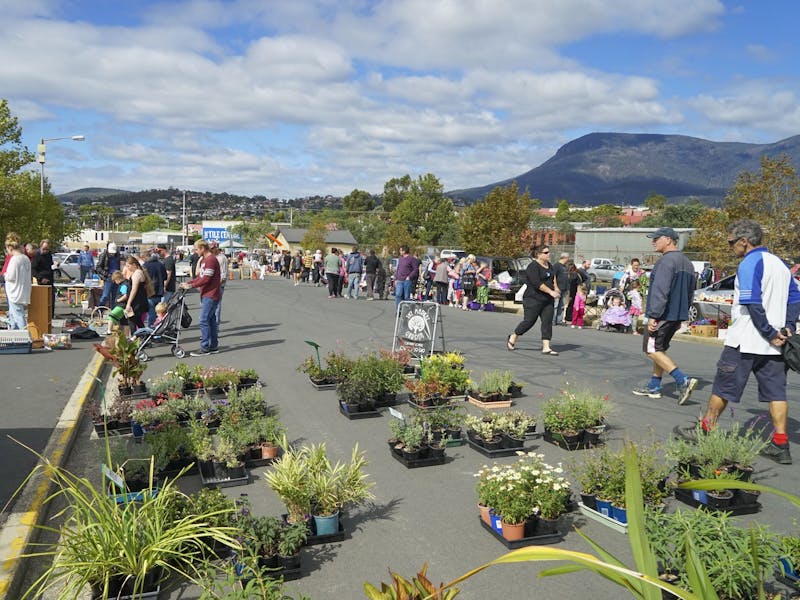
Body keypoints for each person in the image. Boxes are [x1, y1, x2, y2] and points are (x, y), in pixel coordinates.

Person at [675, 219, 800, 464]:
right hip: (774, 347)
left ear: (745, 241)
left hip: (745, 340)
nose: (731, 247)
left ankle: (704, 430)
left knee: (723, 387)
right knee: (776, 393)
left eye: (732, 242)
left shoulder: (748, 264)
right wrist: (787, 327)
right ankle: (781, 445)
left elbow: (752, 303)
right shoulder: (781, 265)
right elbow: (795, 298)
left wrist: (768, 332)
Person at [632, 227, 698, 404]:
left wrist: (653, 315)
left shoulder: (666, 262)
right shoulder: (688, 263)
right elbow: (690, 292)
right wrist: (682, 316)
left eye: (656, 238)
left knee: (651, 349)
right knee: (659, 349)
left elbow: (660, 291)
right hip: (676, 315)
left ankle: (683, 379)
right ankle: (654, 385)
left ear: (669, 240)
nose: (653, 241)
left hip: (662, 314)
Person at [507, 245, 560, 355]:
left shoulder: (549, 265)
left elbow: (553, 277)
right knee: (529, 321)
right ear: (538, 254)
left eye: (548, 252)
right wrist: (550, 291)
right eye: (546, 252)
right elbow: (537, 283)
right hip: (533, 299)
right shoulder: (533, 267)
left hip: (547, 300)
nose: (548, 254)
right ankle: (513, 336)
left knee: (547, 322)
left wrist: (556, 288)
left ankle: (546, 347)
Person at [180, 239, 221, 356]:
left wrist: (191, 285)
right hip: (207, 294)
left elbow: (206, 279)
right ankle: (213, 346)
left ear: (203, 248)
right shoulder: (204, 260)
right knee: (211, 320)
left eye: (196, 249)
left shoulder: (211, 260)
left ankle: (205, 347)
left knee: (203, 320)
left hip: (211, 294)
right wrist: (189, 282)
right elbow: (200, 277)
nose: (195, 251)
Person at [2, 237, 31, 330]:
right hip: (23, 290)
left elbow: (10, 276)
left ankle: (25, 337)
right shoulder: (26, 258)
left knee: (18, 315)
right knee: (13, 315)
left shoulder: (14, 259)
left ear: (10, 248)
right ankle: (13, 334)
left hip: (14, 292)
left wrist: (5, 274)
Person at [122, 256, 153, 331]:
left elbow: (134, 289)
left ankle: (134, 338)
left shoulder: (137, 273)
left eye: (128, 266)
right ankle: (144, 336)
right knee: (138, 321)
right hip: (138, 301)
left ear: (134, 265)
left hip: (136, 302)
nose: (127, 268)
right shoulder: (137, 272)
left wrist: (128, 303)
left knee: (132, 321)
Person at [30, 239, 56, 318]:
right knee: (42, 300)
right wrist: (40, 278)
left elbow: (49, 266)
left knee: (51, 299)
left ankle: (50, 315)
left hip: (50, 279)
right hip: (41, 280)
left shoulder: (49, 255)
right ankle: (43, 315)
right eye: (44, 249)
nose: (46, 251)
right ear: (41, 247)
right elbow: (33, 269)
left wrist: (55, 265)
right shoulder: (37, 256)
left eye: (47, 249)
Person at [144, 250, 167, 327]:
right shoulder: (161, 265)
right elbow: (165, 277)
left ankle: (151, 327)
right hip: (159, 291)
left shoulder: (145, 265)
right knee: (159, 311)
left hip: (149, 291)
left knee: (151, 312)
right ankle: (159, 326)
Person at [97, 242, 123, 307]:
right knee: (105, 295)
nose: (112, 254)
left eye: (113, 253)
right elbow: (98, 268)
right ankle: (100, 309)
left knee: (115, 296)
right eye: (111, 253)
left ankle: (113, 311)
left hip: (117, 277)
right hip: (108, 277)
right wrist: (105, 274)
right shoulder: (103, 255)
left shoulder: (118, 255)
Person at [394, 245, 420, 310]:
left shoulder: (411, 259)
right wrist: (396, 278)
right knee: (398, 295)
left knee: (406, 297)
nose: (400, 252)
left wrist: (409, 276)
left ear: (404, 251)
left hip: (407, 280)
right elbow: (398, 268)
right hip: (399, 280)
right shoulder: (400, 258)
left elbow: (416, 269)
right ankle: (398, 310)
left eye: (400, 250)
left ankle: (406, 311)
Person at [210, 242, 228, 328]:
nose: (211, 250)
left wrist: (217, 285)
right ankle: (212, 326)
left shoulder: (221, 258)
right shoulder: (213, 257)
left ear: (217, 248)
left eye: (213, 248)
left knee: (217, 305)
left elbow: (223, 275)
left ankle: (215, 327)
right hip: (211, 285)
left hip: (218, 285)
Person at [553, 252, 570, 325]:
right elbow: (553, 277)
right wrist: (555, 287)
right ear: (565, 258)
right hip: (558, 289)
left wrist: (567, 289)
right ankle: (553, 320)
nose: (568, 260)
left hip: (564, 289)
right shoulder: (556, 266)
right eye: (568, 258)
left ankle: (559, 320)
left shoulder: (565, 267)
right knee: (555, 305)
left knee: (562, 305)